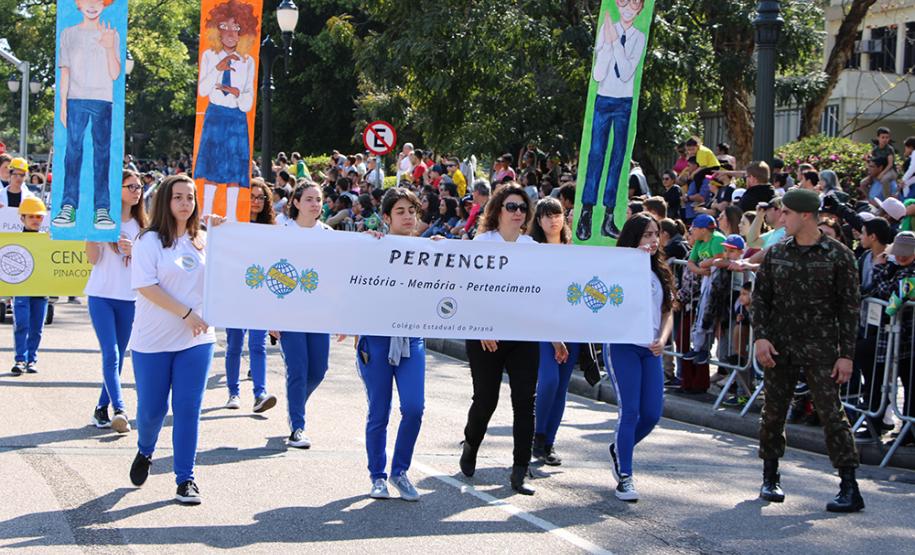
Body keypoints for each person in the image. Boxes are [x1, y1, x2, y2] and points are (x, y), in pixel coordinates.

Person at [752, 188, 864, 513]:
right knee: (773, 412)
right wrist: (760, 337)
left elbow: (849, 310)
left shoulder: (839, 255)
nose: (780, 218)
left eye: (786, 213)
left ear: (805, 215)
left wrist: (846, 355)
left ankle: (849, 486)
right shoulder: (776, 253)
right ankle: (770, 477)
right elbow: (760, 299)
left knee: (832, 414)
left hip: (822, 347)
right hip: (780, 344)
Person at [127, 175, 217, 505]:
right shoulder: (148, 241)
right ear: (165, 201)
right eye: (177, 197)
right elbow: (146, 287)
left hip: (197, 339)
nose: (184, 203)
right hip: (152, 340)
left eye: (190, 198)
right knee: (151, 411)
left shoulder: (204, 240)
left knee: (187, 409)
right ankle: (145, 450)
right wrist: (184, 313)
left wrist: (224, 236)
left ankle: (186, 479)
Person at [460, 184, 539, 495]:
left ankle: (520, 469)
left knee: (524, 402)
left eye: (522, 207)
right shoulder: (483, 243)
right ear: (497, 210)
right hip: (485, 337)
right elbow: (469, 291)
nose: (517, 212)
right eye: (511, 206)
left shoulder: (532, 247)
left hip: (522, 335)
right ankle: (471, 444)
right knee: (486, 400)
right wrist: (482, 327)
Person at [358, 187, 428, 502]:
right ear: (386, 218)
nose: (408, 216)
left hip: (411, 340)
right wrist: (366, 247)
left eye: (412, 210)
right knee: (379, 412)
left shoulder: (432, 251)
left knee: (414, 408)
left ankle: (400, 472)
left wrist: (446, 254)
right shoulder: (373, 248)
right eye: (400, 211)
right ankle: (377, 476)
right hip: (376, 340)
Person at [607, 213, 674, 501]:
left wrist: (662, 339)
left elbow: (667, 311)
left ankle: (619, 450)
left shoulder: (660, 270)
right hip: (623, 347)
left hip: (651, 350)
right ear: (633, 238)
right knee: (630, 411)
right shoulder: (618, 269)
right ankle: (625, 476)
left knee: (651, 414)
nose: (652, 240)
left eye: (655, 234)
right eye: (646, 234)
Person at [577, 0, 647, 241]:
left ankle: (608, 215)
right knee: (595, 155)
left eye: (634, 5)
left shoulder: (638, 37)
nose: (628, 8)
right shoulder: (605, 32)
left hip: (624, 103)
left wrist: (614, 40)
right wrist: (606, 46)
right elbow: (598, 74)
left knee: (618, 158)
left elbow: (628, 71)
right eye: (623, 4)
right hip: (603, 99)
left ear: (639, 9)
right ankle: (586, 212)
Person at [85, 170, 148, 431]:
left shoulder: (144, 226)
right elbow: (92, 259)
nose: (137, 191)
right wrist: (92, 234)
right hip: (101, 295)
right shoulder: (103, 220)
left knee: (119, 355)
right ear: (117, 190)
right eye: (131, 186)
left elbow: (151, 265)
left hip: (129, 298)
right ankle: (119, 408)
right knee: (110, 353)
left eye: (140, 187)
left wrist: (136, 252)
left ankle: (101, 407)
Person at [52, 0, 121, 230]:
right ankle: (68, 206)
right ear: (79, 5)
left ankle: (102, 209)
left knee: (102, 153)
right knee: (72, 152)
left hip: (103, 99)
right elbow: (65, 71)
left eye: (98, 2)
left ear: (104, 5)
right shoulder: (68, 34)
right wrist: (63, 103)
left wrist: (109, 47)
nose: (92, 6)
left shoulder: (111, 33)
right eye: (87, 1)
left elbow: (115, 73)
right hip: (76, 98)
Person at [274, 182, 332, 449]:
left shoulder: (329, 234)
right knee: (298, 369)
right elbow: (268, 271)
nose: (315, 204)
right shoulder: (282, 231)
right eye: (309, 199)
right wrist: (269, 317)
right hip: (288, 313)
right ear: (296, 202)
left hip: (318, 315)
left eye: (318, 199)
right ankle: (298, 426)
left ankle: (295, 405)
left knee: (318, 371)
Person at [192, 0, 259, 221]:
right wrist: (217, 70)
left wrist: (235, 91)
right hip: (215, 114)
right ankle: (204, 216)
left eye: (237, 28)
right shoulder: (210, 56)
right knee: (211, 168)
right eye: (225, 27)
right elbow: (202, 90)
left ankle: (231, 219)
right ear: (217, 30)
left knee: (235, 170)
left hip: (237, 117)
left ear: (244, 32)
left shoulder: (248, 61)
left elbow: (248, 99)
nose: (231, 33)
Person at [528, 197, 577, 466]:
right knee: (548, 382)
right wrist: (552, 336)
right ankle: (536, 435)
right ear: (538, 220)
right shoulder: (533, 250)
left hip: (570, 327)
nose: (553, 219)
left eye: (557, 214)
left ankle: (549, 442)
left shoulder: (573, 249)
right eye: (546, 215)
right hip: (541, 327)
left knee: (561, 387)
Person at [224, 178, 277, 413]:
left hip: (261, 295)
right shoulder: (231, 225)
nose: (256, 201)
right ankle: (233, 393)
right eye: (252, 197)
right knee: (234, 344)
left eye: (260, 197)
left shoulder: (272, 229)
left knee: (258, 345)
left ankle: (260, 394)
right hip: (235, 293)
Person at [10, 198, 51, 376]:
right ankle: (20, 358)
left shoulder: (48, 240)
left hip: (41, 289)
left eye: (39, 217)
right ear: (22, 218)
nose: (35, 220)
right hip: (21, 289)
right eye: (31, 216)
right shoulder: (13, 240)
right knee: (22, 322)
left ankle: (31, 359)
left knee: (36, 327)